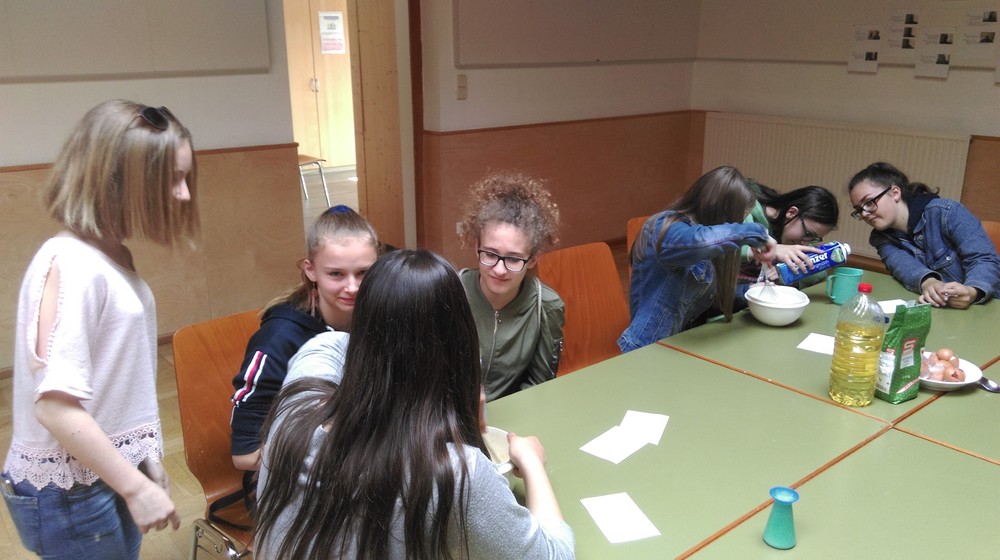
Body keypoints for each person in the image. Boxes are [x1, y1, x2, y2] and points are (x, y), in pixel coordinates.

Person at [255, 249, 574, 559]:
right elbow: (555, 554)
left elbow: (334, 344)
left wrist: (386, 328)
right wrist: (532, 463)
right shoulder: (452, 476)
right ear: (460, 338)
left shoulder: (296, 403)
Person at [2, 100, 197, 558]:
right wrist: (135, 487)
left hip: (98, 473)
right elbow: (55, 408)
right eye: (172, 179)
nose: (185, 194)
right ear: (120, 181)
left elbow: (113, 381)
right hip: (71, 493)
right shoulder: (72, 264)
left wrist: (141, 456)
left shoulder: (109, 254)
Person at [230, 205, 378, 471]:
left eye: (363, 273)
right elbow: (246, 456)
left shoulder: (380, 315)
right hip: (296, 475)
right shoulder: (279, 338)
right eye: (336, 274)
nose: (353, 287)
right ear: (310, 270)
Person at [619, 166, 777, 352]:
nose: (737, 226)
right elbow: (699, 241)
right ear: (720, 211)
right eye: (737, 221)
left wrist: (748, 291)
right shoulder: (666, 228)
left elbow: (705, 296)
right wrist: (755, 234)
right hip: (648, 348)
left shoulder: (708, 237)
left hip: (683, 343)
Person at [458, 172, 564, 401]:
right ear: (476, 247)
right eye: (490, 254)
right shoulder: (450, 292)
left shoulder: (546, 306)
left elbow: (539, 385)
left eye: (514, 259)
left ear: (533, 259)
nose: (499, 269)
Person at [848, 162, 1000, 308]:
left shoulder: (947, 212)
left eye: (869, 202)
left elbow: (984, 258)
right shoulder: (880, 238)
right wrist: (930, 283)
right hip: (944, 309)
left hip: (989, 304)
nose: (864, 213)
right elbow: (904, 267)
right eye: (859, 209)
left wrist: (972, 291)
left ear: (895, 193)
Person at [737, 181, 840, 304]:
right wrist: (771, 250)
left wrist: (786, 274)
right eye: (808, 234)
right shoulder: (745, 208)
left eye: (813, 239)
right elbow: (724, 248)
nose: (805, 243)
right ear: (791, 213)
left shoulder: (793, 235)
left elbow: (819, 273)